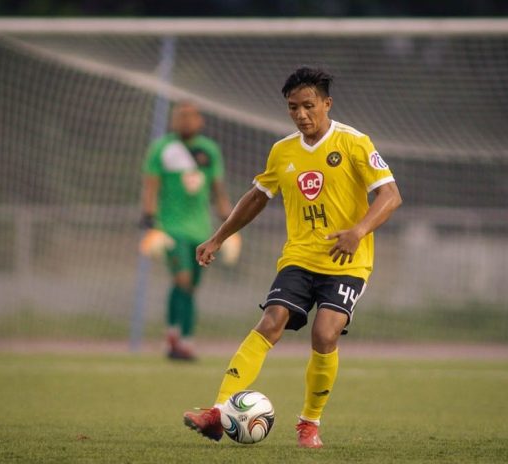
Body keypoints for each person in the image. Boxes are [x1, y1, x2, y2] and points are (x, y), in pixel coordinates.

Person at [183, 67, 402, 448]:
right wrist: (217, 238)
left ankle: (309, 424)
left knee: (324, 332)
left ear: (326, 104)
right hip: (299, 258)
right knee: (271, 322)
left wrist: (358, 231)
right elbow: (256, 197)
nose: (301, 114)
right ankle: (218, 413)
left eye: (308, 106)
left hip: (347, 262)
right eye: (293, 108)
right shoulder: (282, 150)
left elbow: (390, 196)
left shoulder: (355, 142)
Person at [140, 101, 233, 361]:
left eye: (190, 117)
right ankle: (173, 338)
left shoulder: (209, 150)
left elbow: (218, 190)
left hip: (201, 230)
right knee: (181, 279)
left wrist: (231, 221)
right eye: (179, 117)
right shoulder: (162, 148)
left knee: (191, 286)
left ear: (200, 121)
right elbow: (150, 185)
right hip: (170, 228)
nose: (184, 121)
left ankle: (186, 341)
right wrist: (148, 215)